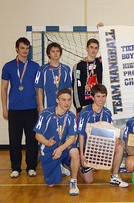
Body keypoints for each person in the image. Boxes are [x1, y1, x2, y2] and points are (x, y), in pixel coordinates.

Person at [1, 37, 39, 178]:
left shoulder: (35, 66)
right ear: (17, 48)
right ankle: (16, 167)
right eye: (22, 48)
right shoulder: (8, 66)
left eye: (27, 48)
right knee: (15, 140)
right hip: (15, 110)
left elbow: (39, 89)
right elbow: (3, 88)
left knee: (32, 140)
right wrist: (4, 108)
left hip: (31, 109)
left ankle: (31, 167)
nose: (25, 51)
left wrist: (40, 107)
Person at [78, 84, 129, 187]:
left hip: (101, 145)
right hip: (87, 147)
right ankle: (80, 166)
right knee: (89, 181)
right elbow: (81, 135)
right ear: (92, 97)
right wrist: (81, 155)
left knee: (119, 147)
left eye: (103, 96)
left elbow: (111, 131)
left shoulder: (107, 112)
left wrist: (117, 139)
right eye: (98, 96)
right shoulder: (84, 113)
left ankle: (114, 176)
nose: (101, 99)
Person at [34, 88, 80, 195]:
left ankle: (73, 182)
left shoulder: (71, 116)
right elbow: (37, 135)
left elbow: (72, 138)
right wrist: (46, 142)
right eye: (63, 100)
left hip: (63, 148)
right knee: (51, 184)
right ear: (57, 100)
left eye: (69, 100)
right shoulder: (46, 114)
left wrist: (60, 148)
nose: (66, 103)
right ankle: (59, 166)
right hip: (50, 149)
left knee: (75, 152)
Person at [35, 42, 72, 113]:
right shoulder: (42, 69)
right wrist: (41, 107)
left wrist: (68, 104)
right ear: (49, 54)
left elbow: (69, 88)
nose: (55, 53)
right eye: (53, 51)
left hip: (62, 107)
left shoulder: (66, 69)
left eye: (57, 51)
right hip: (47, 106)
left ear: (60, 53)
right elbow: (39, 89)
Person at [72, 38, 103, 114]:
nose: (93, 50)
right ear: (87, 48)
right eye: (91, 47)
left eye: (96, 48)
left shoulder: (99, 63)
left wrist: (103, 29)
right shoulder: (79, 66)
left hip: (97, 104)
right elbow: (75, 88)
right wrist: (78, 106)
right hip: (83, 105)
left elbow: (111, 51)